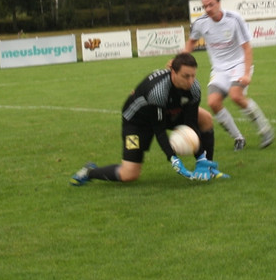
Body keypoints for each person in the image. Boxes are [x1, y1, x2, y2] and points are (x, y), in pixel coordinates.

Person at [70, 52, 229, 185]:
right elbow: (159, 130)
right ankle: (90, 171)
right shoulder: (158, 91)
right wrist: (172, 157)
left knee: (205, 117)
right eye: (185, 76)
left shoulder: (194, 88)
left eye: (193, 76)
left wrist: (201, 156)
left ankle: (207, 167)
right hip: (137, 121)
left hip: (167, 113)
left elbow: (190, 123)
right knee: (129, 174)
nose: (190, 81)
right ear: (173, 72)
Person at [184, 0, 274, 150]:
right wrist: (179, 61)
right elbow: (191, 42)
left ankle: (265, 129)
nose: (208, 9)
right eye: (205, 6)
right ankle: (238, 138)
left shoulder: (234, 19)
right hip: (219, 70)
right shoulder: (200, 23)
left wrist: (246, 74)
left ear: (219, 3)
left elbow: (247, 47)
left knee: (236, 96)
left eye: (211, 4)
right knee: (213, 102)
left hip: (239, 65)